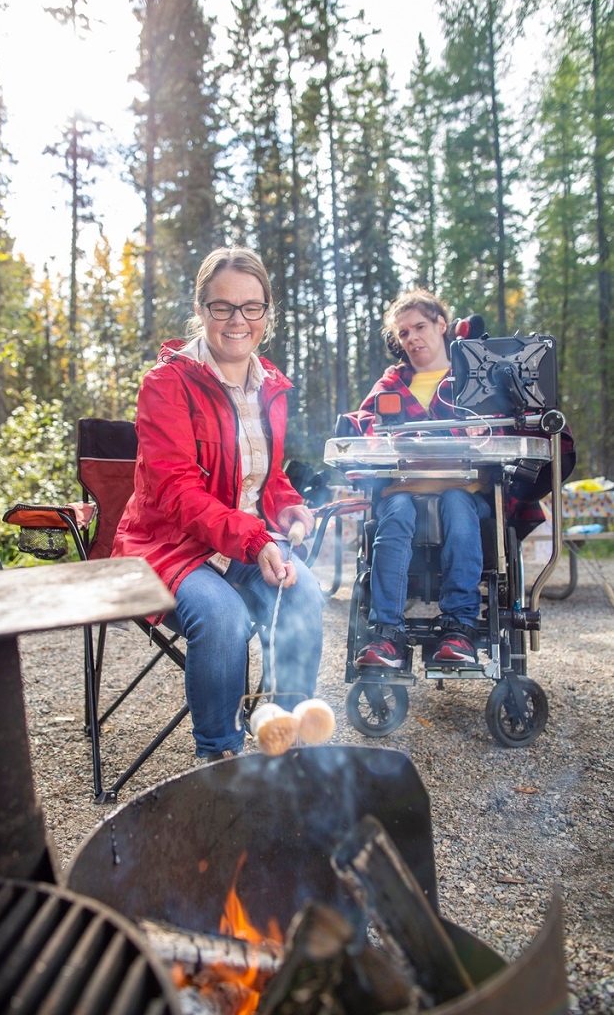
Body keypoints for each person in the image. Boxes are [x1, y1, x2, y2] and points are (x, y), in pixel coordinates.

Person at [112, 246, 324, 760]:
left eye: (252, 306)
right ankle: (219, 755)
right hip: (169, 546)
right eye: (222, 306)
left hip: (240, 543)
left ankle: (282, 734)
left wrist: (288, 503)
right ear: (201, 308)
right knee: (224, 617)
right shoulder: (166, 384)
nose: (238, 320)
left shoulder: (270, 384)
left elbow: (262, 476)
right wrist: (255, 540)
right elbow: (177, 492)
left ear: (267, 313)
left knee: (304, 598)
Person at [353, 288, 492, 671]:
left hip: (463, 487)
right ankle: (386, 635)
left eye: (419, 327)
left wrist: (481, 435)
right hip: (405, 488)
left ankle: (459, 629)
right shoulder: (392, 384)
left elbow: (503, 422)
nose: (412, 338)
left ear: (441, 325)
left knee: (457, 505)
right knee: (393, 511)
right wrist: (379, 435)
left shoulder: (472, 379)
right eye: (403, 333)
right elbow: (362, 426)